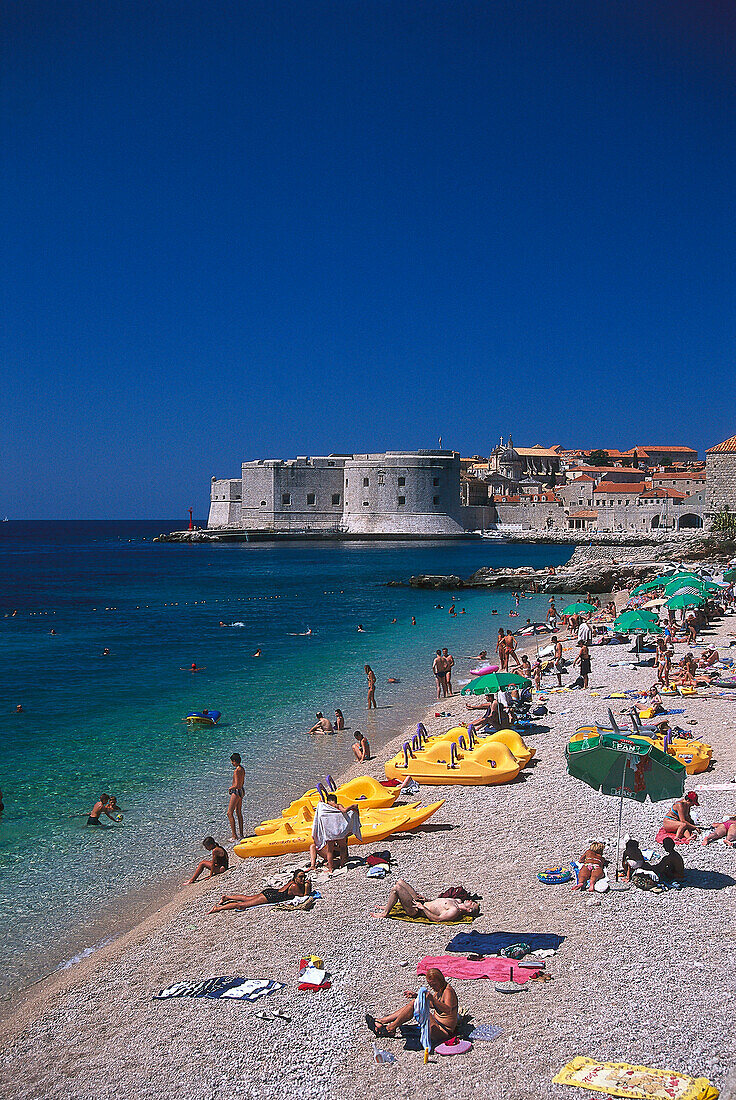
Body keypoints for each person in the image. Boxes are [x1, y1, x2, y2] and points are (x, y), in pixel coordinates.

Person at [366, 967, 458, 1046]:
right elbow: (433, 1005)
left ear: (440, 980)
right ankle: (383, 1021)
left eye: (434, 985)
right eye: (431, 985)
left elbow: (447, 1010)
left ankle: (389, 1028)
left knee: (418, 1006)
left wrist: (432, 999)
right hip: (437, 1024)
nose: (433, 987)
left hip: (444, 1031)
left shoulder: (448, 991)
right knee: (416, 1002)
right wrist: (417, 996)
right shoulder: (439, 989)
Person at [371, 879, 480, 922]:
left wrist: (422, 908)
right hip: (421, 902)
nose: (470, 900)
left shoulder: (454, 911)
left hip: (416, 910)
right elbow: (438, 904)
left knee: (396, 889)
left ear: (469, 910)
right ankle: (388, 906)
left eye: (472, 903)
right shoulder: (458, 901)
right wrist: (427, 900)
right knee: (400, 882)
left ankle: (385, 913)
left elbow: (437, 918)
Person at [209, 869, 311, 912]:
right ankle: (217, 909)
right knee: (242, 905)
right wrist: (307, 885)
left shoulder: (291, 882)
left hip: (270, 892)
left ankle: (227, 897)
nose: (302, 879)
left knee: (247, 898)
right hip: (270, 897)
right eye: (300, 877)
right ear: (295, 878)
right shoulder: (294, 886)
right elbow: (304, 896)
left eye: (304, 877)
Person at [309, 793, 360, 872]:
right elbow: (344, 810)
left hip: (330, 832)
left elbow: (320, 811)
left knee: (330, 850)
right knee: (342, 847)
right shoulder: (338, 806)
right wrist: (352, 807)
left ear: (328, 801)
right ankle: (342, 865)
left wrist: (321, 803)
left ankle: (330, 869)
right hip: (340, 831)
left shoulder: (325, 807)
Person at [227, 753, 245, 841]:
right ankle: (241, 834)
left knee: (229, 813)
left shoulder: (236, 771)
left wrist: (230, 788)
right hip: (241, 791)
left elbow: (237, 785)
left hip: (237, 791)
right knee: (238, 812)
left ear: (234, 761)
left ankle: (234, 836)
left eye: (232, 761)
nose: (232, 763)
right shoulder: (242, 769)